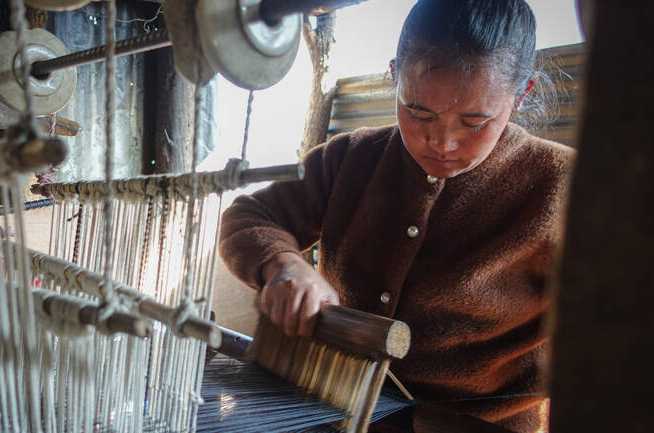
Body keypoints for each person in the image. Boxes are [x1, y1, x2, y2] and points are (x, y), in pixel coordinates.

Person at [218, 0, 575, 431]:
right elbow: (251, 214)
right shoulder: (351, 157)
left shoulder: (564, 186)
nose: (442, 142)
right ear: (394, 76)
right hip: (335, 402)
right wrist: (282, 264)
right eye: (418, 111)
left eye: (475, 121)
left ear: (521, 96)